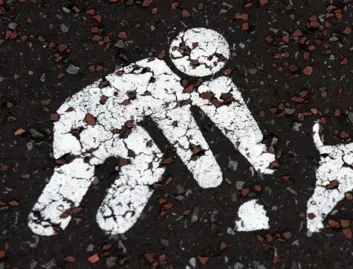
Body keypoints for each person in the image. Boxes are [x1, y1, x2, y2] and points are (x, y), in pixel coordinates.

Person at [29, 28, 275, 236]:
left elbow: (174, 119)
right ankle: (49, 222)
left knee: (149, 160)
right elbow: (175, 120)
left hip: (105, 126)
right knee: (76, 170)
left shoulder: (158, 73)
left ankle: (115, 219)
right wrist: (204, 165)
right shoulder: (157, 75)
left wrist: (204, 164)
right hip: (78, 126)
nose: (206, 65)